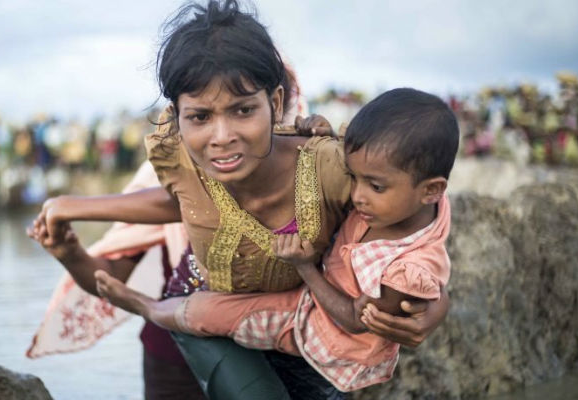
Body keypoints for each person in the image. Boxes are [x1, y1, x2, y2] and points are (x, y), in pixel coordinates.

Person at [29, 0, 450, 397]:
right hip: (185, 333)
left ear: (277, 102)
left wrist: (434, 306)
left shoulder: (331, 169)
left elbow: (412, 228)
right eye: (200, 117)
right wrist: (70, 248)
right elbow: (131, 255)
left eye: (243, 110)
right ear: (176, 119)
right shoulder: (183, 169)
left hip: (301, 338)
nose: (222, 136)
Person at [94, 87, 458, 392]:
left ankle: (146, 307)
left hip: (323, 332)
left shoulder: (404, 262)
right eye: (352, 176)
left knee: (208, 312)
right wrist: (323, 136)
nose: (357, 195)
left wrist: (303, 267)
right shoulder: (394, 201)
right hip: (306, 301)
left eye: (373, 186)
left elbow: (352, 320)